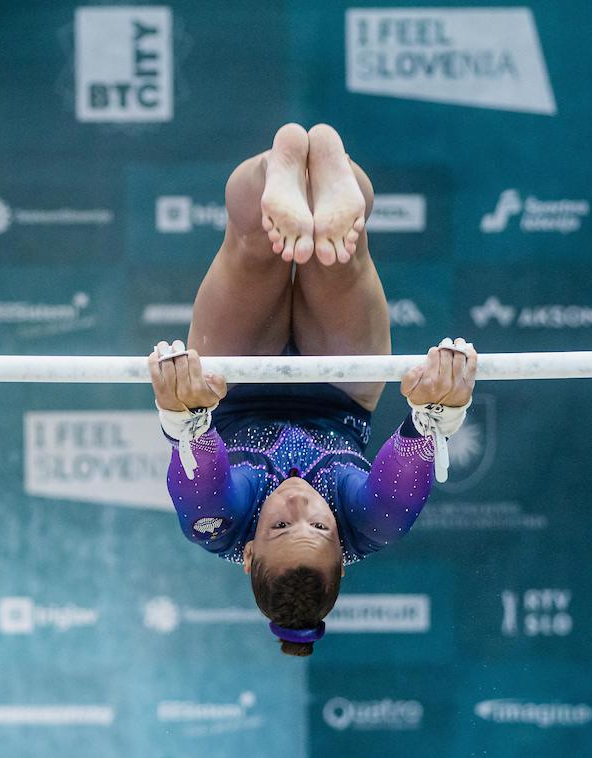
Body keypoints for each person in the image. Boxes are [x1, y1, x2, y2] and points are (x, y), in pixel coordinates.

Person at [148, 123, 477, 656]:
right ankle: (330, 171)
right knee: (340, 249)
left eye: (280, 523)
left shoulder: (219, 525)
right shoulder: (371, 525)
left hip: (236, 388)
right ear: (343, 551)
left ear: (250, 553)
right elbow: (421, 437)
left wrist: (182, 415)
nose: (301, 500)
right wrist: (440, 408)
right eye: (320, 524)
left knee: (251, 232)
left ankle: (283, 169)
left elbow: (193, 457)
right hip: (339, 391)